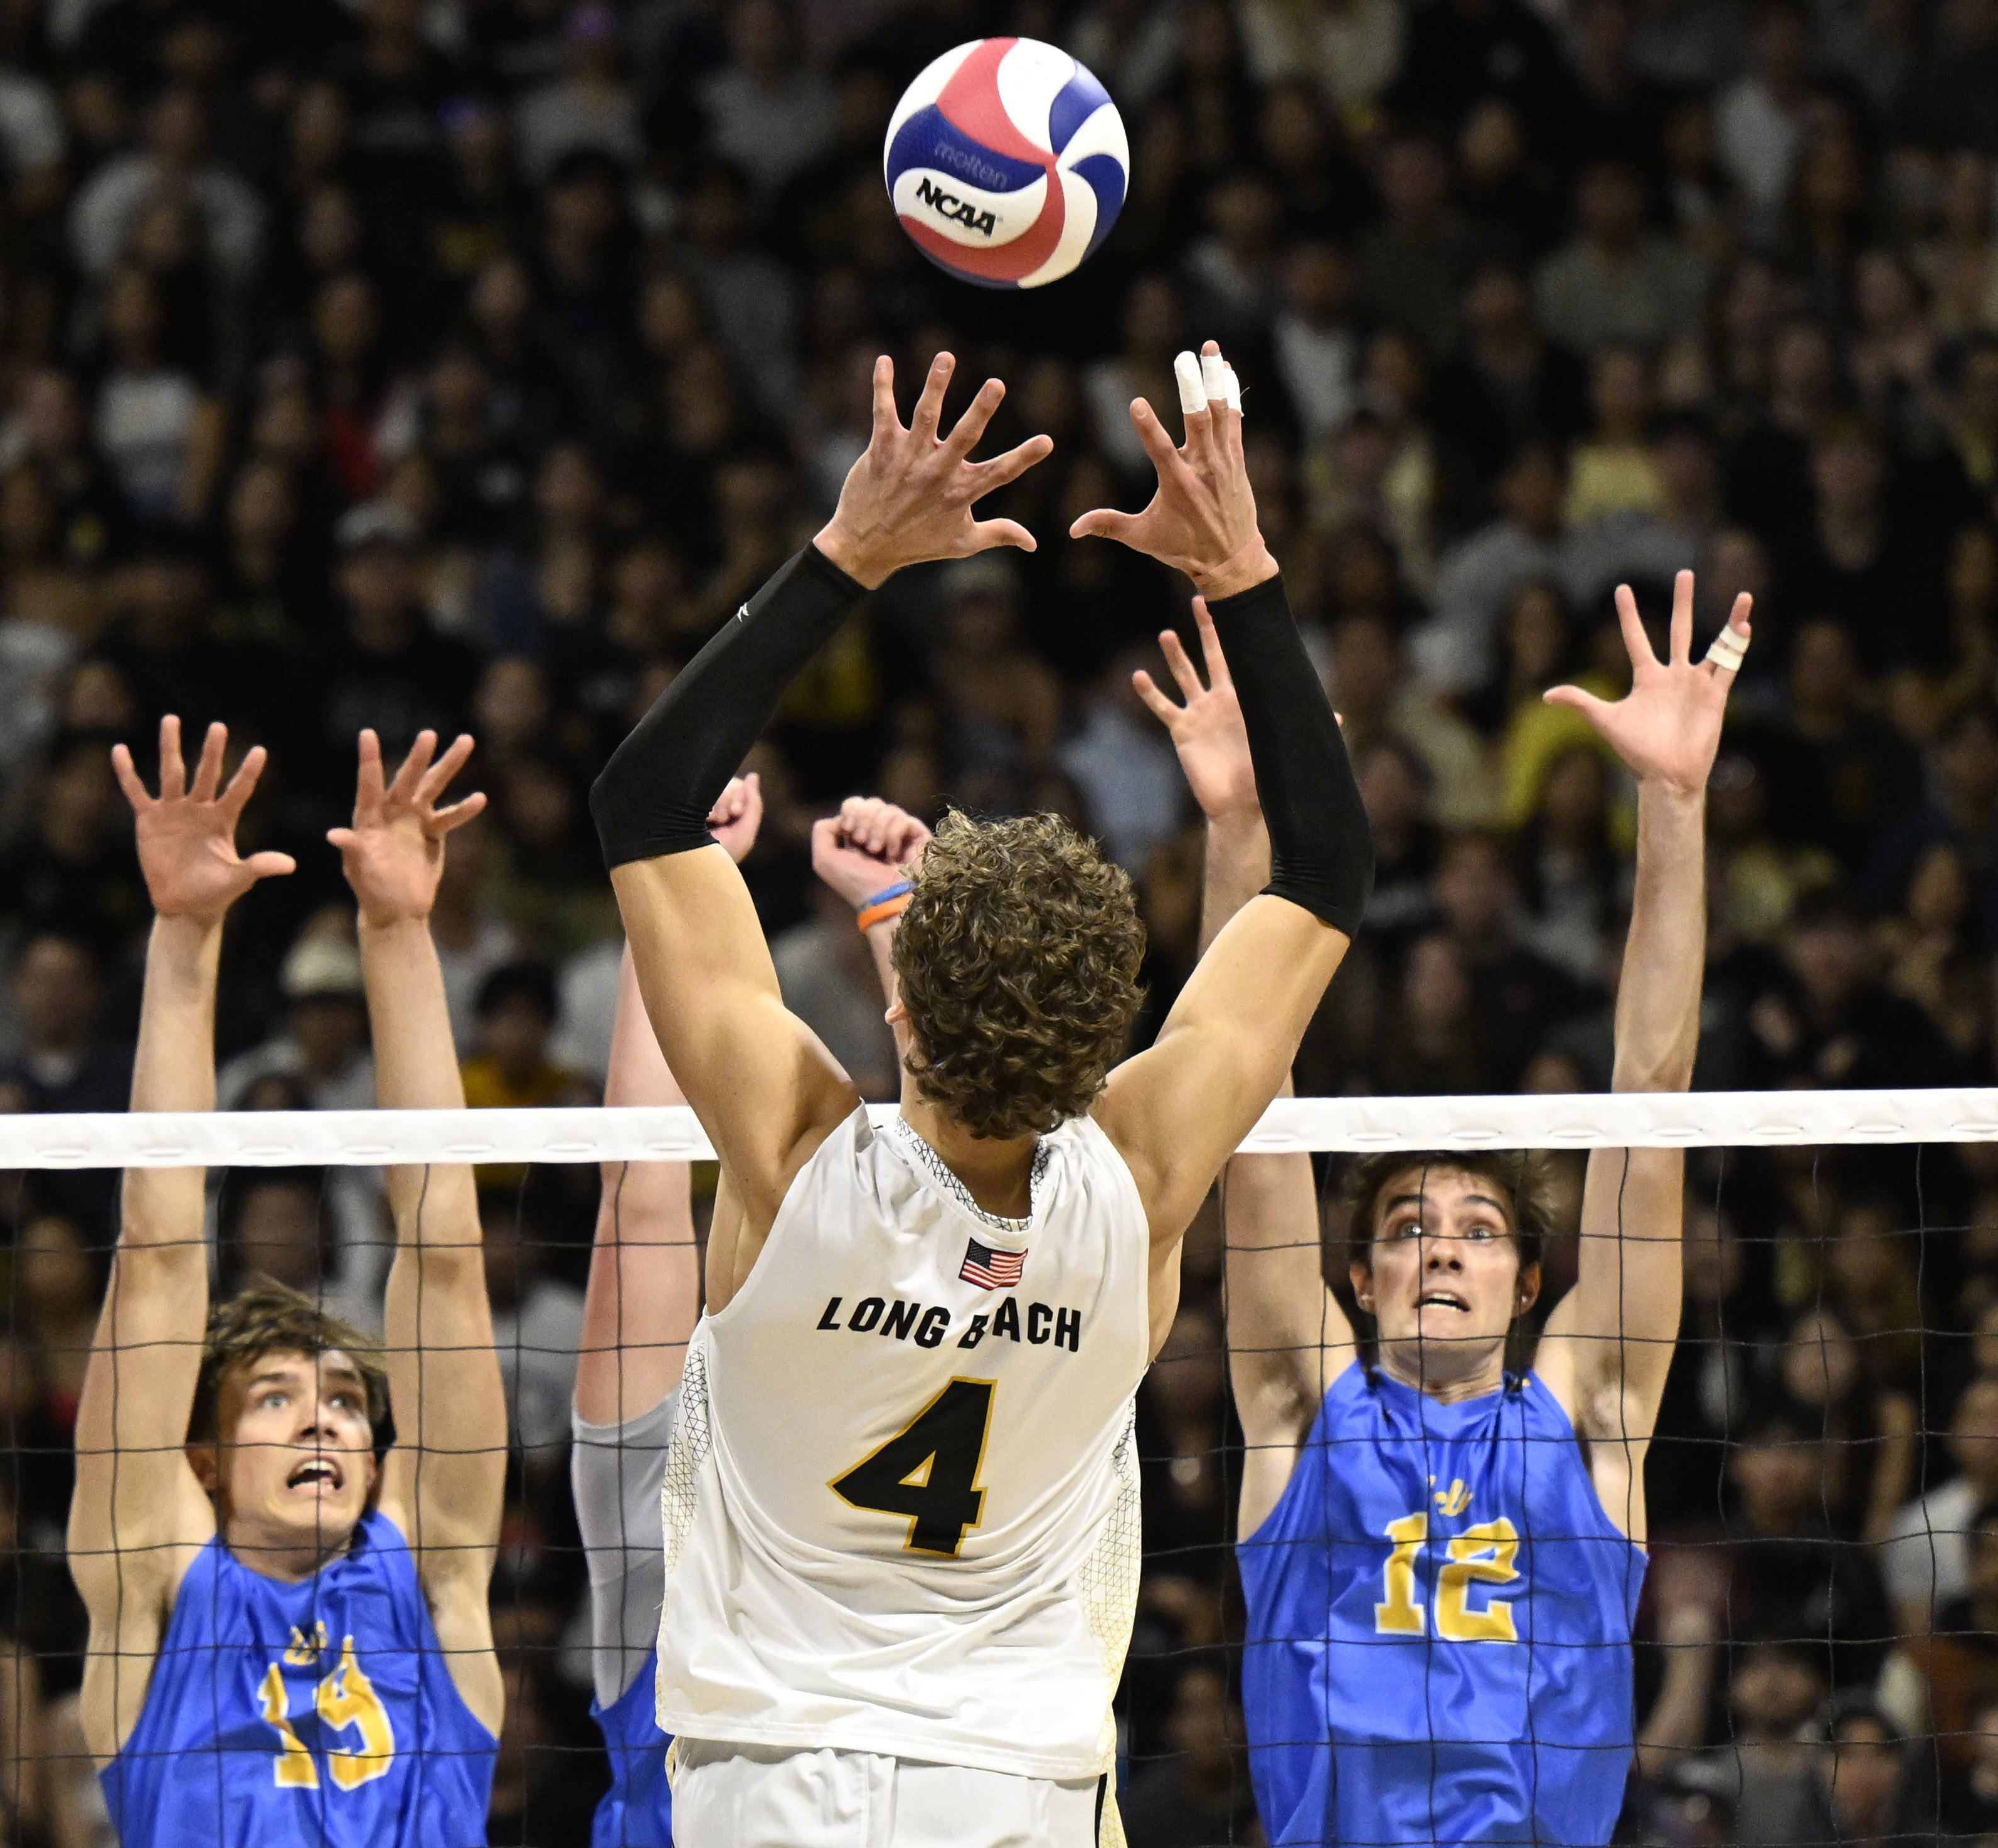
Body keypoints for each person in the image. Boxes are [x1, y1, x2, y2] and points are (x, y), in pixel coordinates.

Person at [588, 342, 1370, 1843]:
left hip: (771, 1789)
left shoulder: (799, 1158)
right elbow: (1328, 868)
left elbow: (643, 801)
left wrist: (848, 554)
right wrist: (1247, 578)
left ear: (898, 996)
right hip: (1013, 1789)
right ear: (1105, 1041)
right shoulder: (1137, 1179)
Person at [1194, 567, 1750, 1846]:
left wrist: (1671, 805)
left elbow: (1649, 1097)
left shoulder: (1589, 1412)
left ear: (1531, 1283)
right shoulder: (1302, 1409)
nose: (1440, 1239)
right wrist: (1235, 827)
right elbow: (1239, 1085)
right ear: (1355, 1279)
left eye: (1479, 1229)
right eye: (1403, 1226)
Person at [68, 717, 507, 1847]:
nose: (324, 1413)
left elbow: (444, 1255)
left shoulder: (436, 1578)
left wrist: (399, 928)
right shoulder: (160, 1590)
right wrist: (184, 935)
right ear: (202, 1463)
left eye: (348, 1403)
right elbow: (160, 1250)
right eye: (276, 1397)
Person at [573, 777, 920, 1847]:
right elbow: (643, 1188)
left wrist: (900, 912)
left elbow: (962, 1192)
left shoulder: (908, 1456)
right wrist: (674, 887)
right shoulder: (660, 1477)